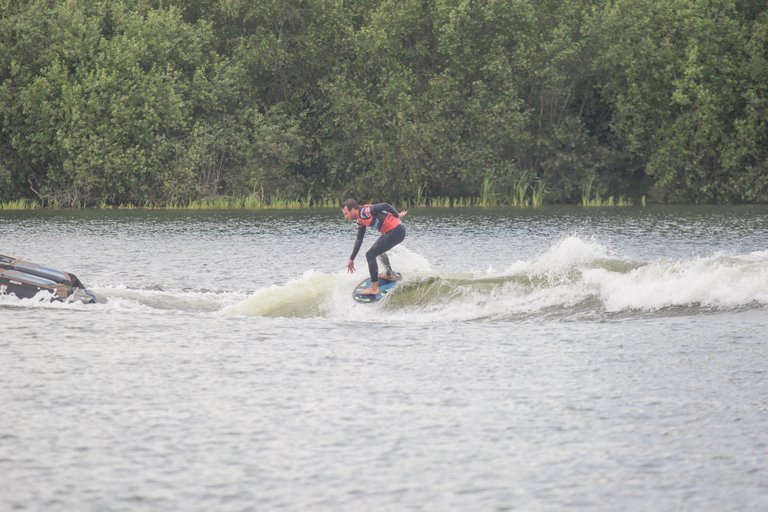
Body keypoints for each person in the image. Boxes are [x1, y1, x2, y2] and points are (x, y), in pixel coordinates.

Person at [341, 199, 408, 295]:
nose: (345, 216)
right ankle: (390, 275)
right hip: (393, 231)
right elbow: (359, 240)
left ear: (352, 210)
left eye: (345, 213)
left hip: (396, 231)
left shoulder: (365, 211)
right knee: (377, 251)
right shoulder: (360, 220)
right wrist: (352, 259)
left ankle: (374, 288)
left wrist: (397, 215)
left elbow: (385, 205)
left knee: (370, 254)